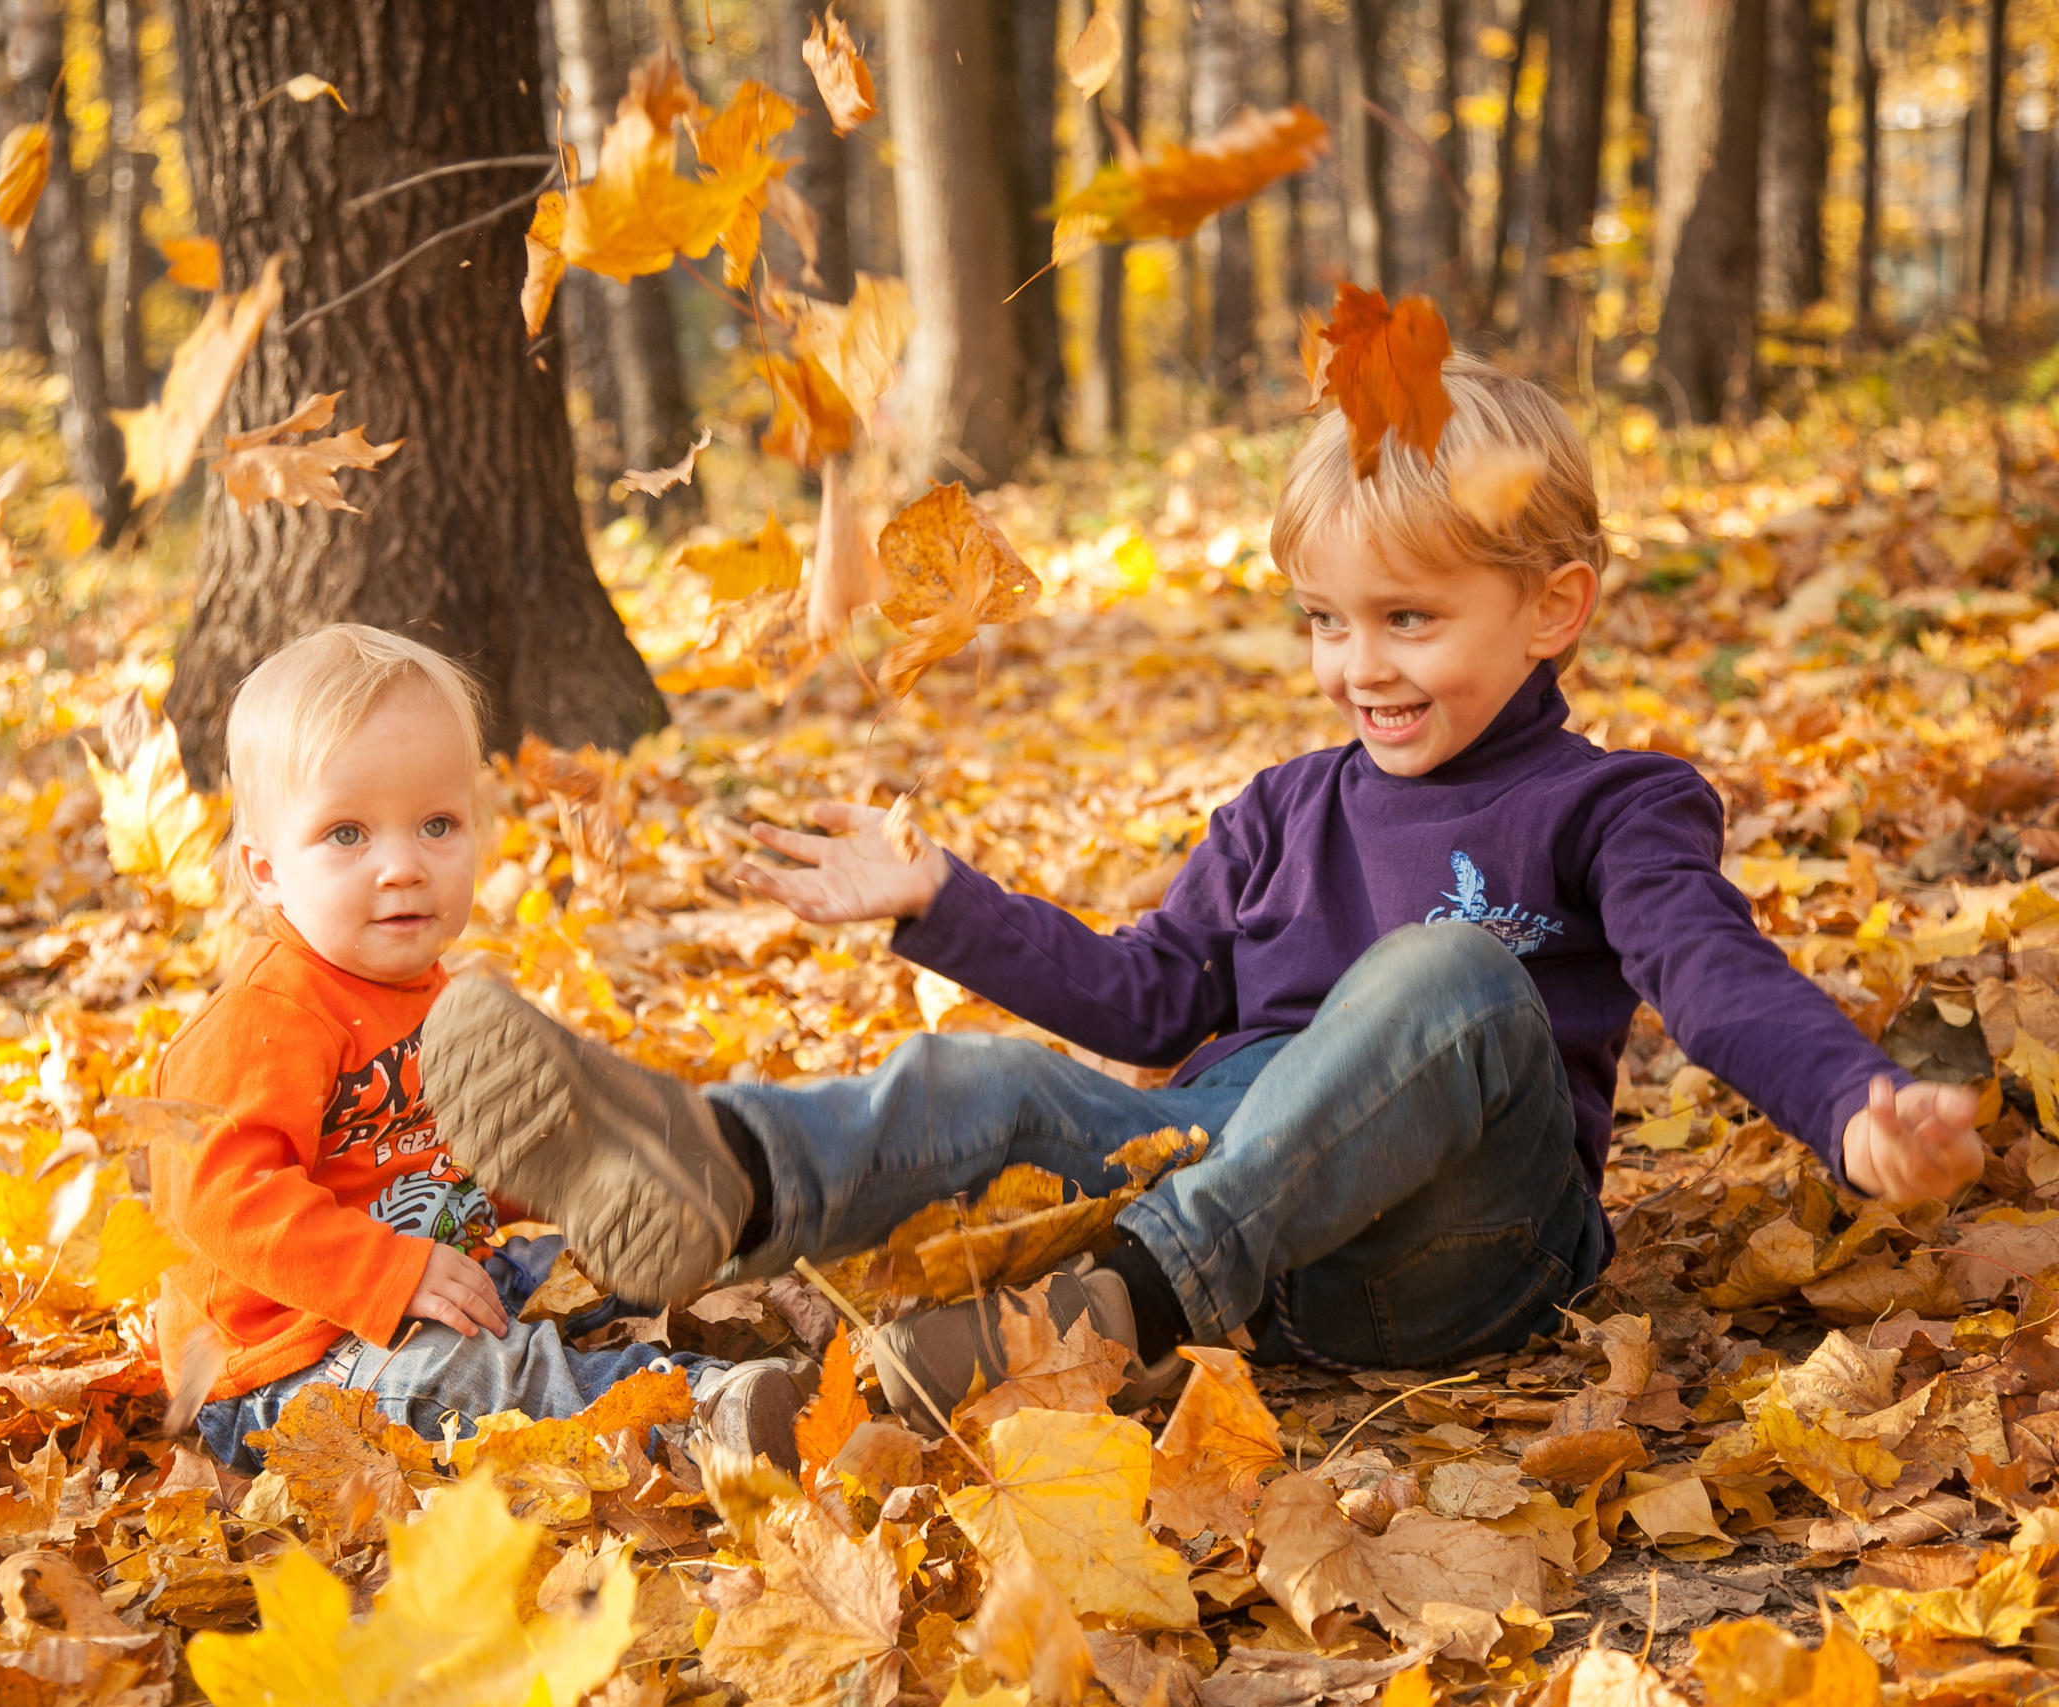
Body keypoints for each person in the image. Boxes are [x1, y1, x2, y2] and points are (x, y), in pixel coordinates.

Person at [420, 358, 1987, 1430]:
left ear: (1554, 606)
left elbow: (1709, 970)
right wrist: (942, 897)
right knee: (1000, 1077)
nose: (1360, 662)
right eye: (1326, 617)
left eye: (1410, 616)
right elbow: (1143, 997)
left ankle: (1127, 1302)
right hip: (1230, 1206)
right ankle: (726, 1172)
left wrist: (1849, 1100)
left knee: (1447, 975)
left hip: (1460, 1252)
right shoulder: (1281, 808)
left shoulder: (1611, 803)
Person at [149, 624, 805, 1473]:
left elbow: (452, 1151)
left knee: (599, 1258)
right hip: (291, 1360)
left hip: (452, 1268)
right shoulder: (263, 1019)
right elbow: (217, 1198)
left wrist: (560, 1182)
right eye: (347, 833)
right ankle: (691, 1412)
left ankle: (775, 1314)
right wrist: (387, 1270)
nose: (402, 867)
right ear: (266, 868)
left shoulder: (437, 995)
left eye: (435, 824)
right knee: (474, 1380)